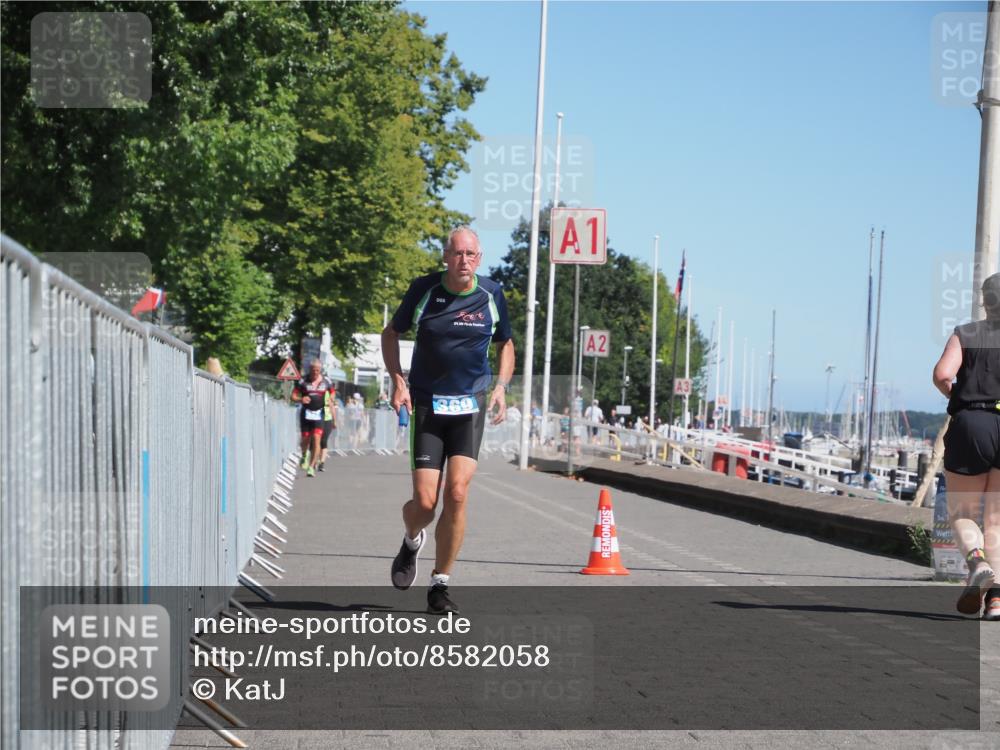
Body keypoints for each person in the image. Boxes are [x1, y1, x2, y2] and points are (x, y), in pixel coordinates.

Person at [381, 226, 515, 615]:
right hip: (427, 405)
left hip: (468, 407)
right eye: (458, 254)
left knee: (457, 493)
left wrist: (501, 387)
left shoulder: (491, 294)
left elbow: (506, 342)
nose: (464, 261)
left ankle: (440, 585)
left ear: (480, 258)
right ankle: (411, 539)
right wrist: (397, 380)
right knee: (425, 504)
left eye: (471, 254)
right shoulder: (424, 290)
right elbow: (391, 333)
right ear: (445, 257)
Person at [933, 272, 1000, 619]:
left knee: (962, 512)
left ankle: (976, 563)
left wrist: (959, 397)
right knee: (997, 520)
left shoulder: (966, 333)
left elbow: (944, 374)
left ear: (985, 301)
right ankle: (997, 600)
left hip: (972, 424)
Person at [291, 361, 334, 477]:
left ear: (320, 370)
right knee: (305, 439)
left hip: (319, 414)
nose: (315, 372)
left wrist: (331, 400)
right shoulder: (303, 381)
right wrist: (301, 399)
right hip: (306, 413)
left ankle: (311, 467)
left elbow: (332, 393)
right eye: (313, 370)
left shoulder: (327, 381)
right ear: (310, 369)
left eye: (317, 370)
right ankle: (304, 454)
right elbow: (293, 396)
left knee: (316, 439)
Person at [318, 384, 337, 472]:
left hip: (327, 419)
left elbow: (332, 407)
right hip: (318, 418)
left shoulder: (328, 394)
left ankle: (322, 463)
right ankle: (316, 460)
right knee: (317, 440)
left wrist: (334, 420)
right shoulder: (316, 393)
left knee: (324, 441)